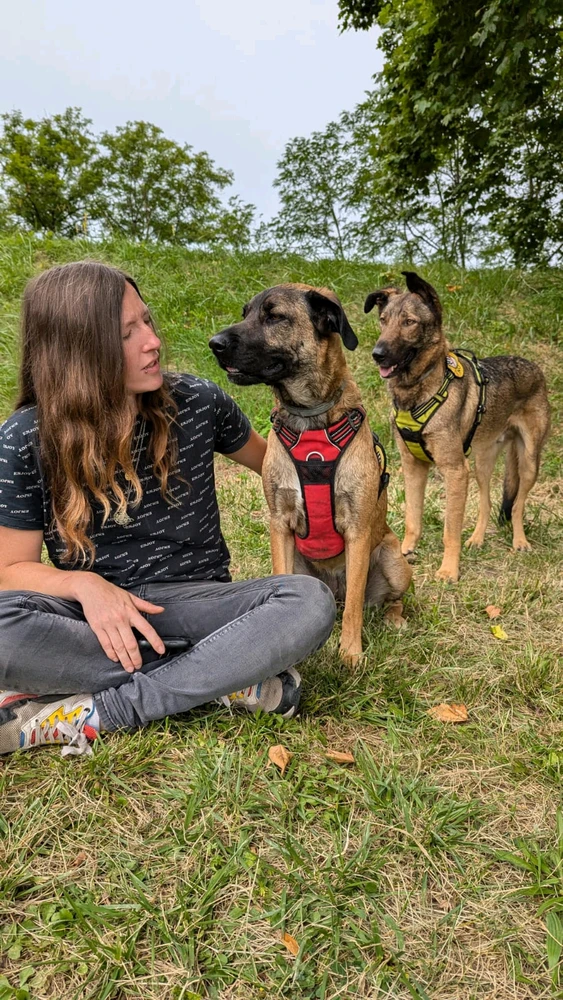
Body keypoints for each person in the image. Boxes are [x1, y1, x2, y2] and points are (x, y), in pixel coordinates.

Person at [0, 261, 336, 756]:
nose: (153, 341)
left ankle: (101, 713)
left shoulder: (198, 401)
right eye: (126, 334)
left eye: (147, 322)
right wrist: (84, 585)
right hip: (95, 620)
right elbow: (10, 571)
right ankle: (226, 676)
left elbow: (278, 468)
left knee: (309, 602)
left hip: (202, 606)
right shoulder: (26, 437)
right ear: (75, 353)